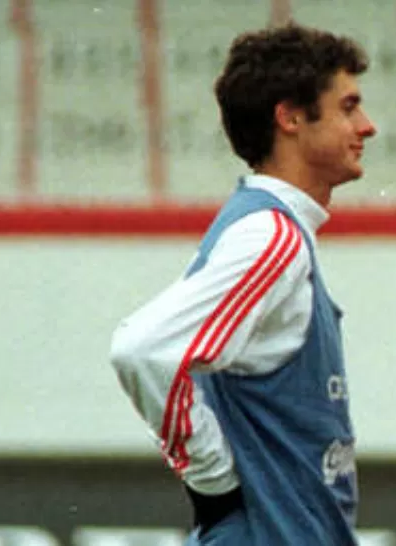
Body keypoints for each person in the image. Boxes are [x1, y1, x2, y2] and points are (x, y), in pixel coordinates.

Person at [109, 22, 376, 545]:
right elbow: (142, 350)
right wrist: (215, 486)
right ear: (290, 117)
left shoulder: (267, 229)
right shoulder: (271, 237)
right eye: (348, 107)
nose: (367, 126)